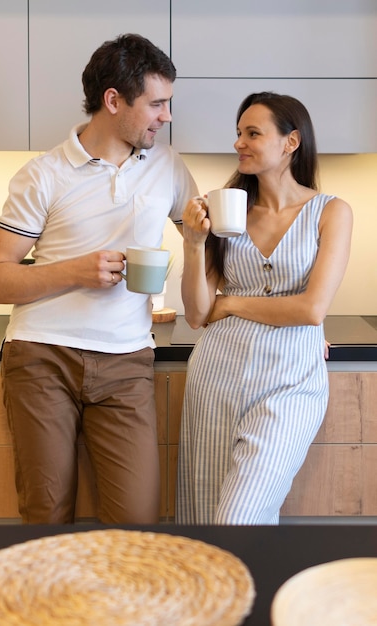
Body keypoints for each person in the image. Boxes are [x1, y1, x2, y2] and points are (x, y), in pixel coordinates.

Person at [0, 33, 198, 525]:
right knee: (47, 513)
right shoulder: (44, 174)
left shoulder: (168, 166)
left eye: (168, 103)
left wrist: (290, 321)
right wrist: (75, 271)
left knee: (137, 523)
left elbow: (206, 246)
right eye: (157, 103)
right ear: (113, 101)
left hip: (126, 361)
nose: (167, 116)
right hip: (41, 357)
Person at [175, 91, 353, 525]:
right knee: (203, 518)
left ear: (291, 142)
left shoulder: (331, 213)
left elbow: (312, 310)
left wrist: (232, 303)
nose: (239, 142)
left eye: (253, 133)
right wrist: (195, 245)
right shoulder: (226, 211)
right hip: (216, 376)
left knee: (238, 519)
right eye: (238, 133)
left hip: (291, 381)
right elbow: (198, 314)